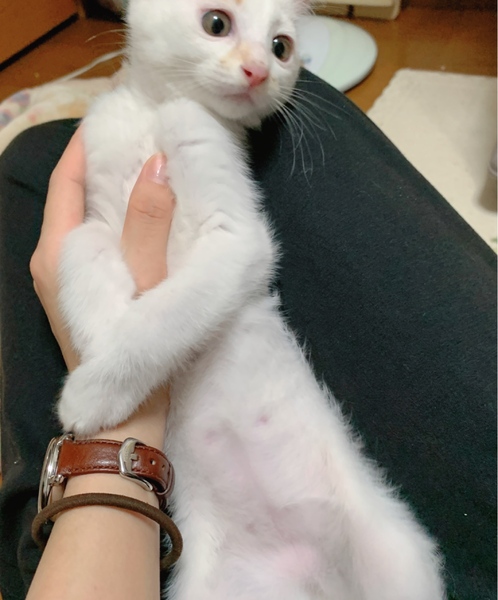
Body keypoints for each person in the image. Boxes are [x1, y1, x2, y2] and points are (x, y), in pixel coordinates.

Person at [0, 70, 496, 600]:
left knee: (30, 163)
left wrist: (118, 385)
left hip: (233, 508)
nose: (255, 68)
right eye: (218, 27)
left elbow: (244, 250)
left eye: (280, 48)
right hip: (237, 524)